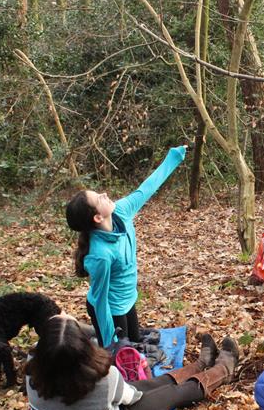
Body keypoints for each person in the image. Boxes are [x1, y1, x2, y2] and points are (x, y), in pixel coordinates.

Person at [26, 314, 239, 410]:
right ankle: (222, 370)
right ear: (84, 348)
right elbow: (132, 396)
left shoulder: (32, 366)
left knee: (156, 383)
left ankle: (201, 364)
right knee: (172, 393)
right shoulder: (105, 378)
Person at [66, 145, 187, 348]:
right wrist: (111, 343)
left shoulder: (120, 212)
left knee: (137, 342)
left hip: (128, 298)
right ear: (97, 217)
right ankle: (91, 337)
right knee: (121, 353)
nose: (104, 194)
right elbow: (99, 301)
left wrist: (173, 158)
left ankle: (86, 333)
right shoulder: (100, 255)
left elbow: (146, 189)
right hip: (111, 308)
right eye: (99, 198)